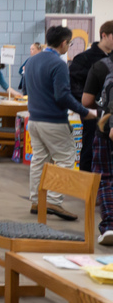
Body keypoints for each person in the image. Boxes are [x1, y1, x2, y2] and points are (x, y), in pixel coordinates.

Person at [23, 26, 97, 221]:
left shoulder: (31, 61)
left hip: (34, 120)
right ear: (64, 43)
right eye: (69, 43)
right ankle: (54, 201)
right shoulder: (58, 64)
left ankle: (37, 201)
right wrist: (85, 112)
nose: (68, 47)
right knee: (65, 159)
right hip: (53, 121)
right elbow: (62, 96)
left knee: (39, 159)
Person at [69, 23, 113, 172]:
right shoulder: (84, 59)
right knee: (90, 150)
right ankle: (85, 189)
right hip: (93, 114)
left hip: (109, 115)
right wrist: (93, 107)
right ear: (104, 35)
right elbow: (74, 87)